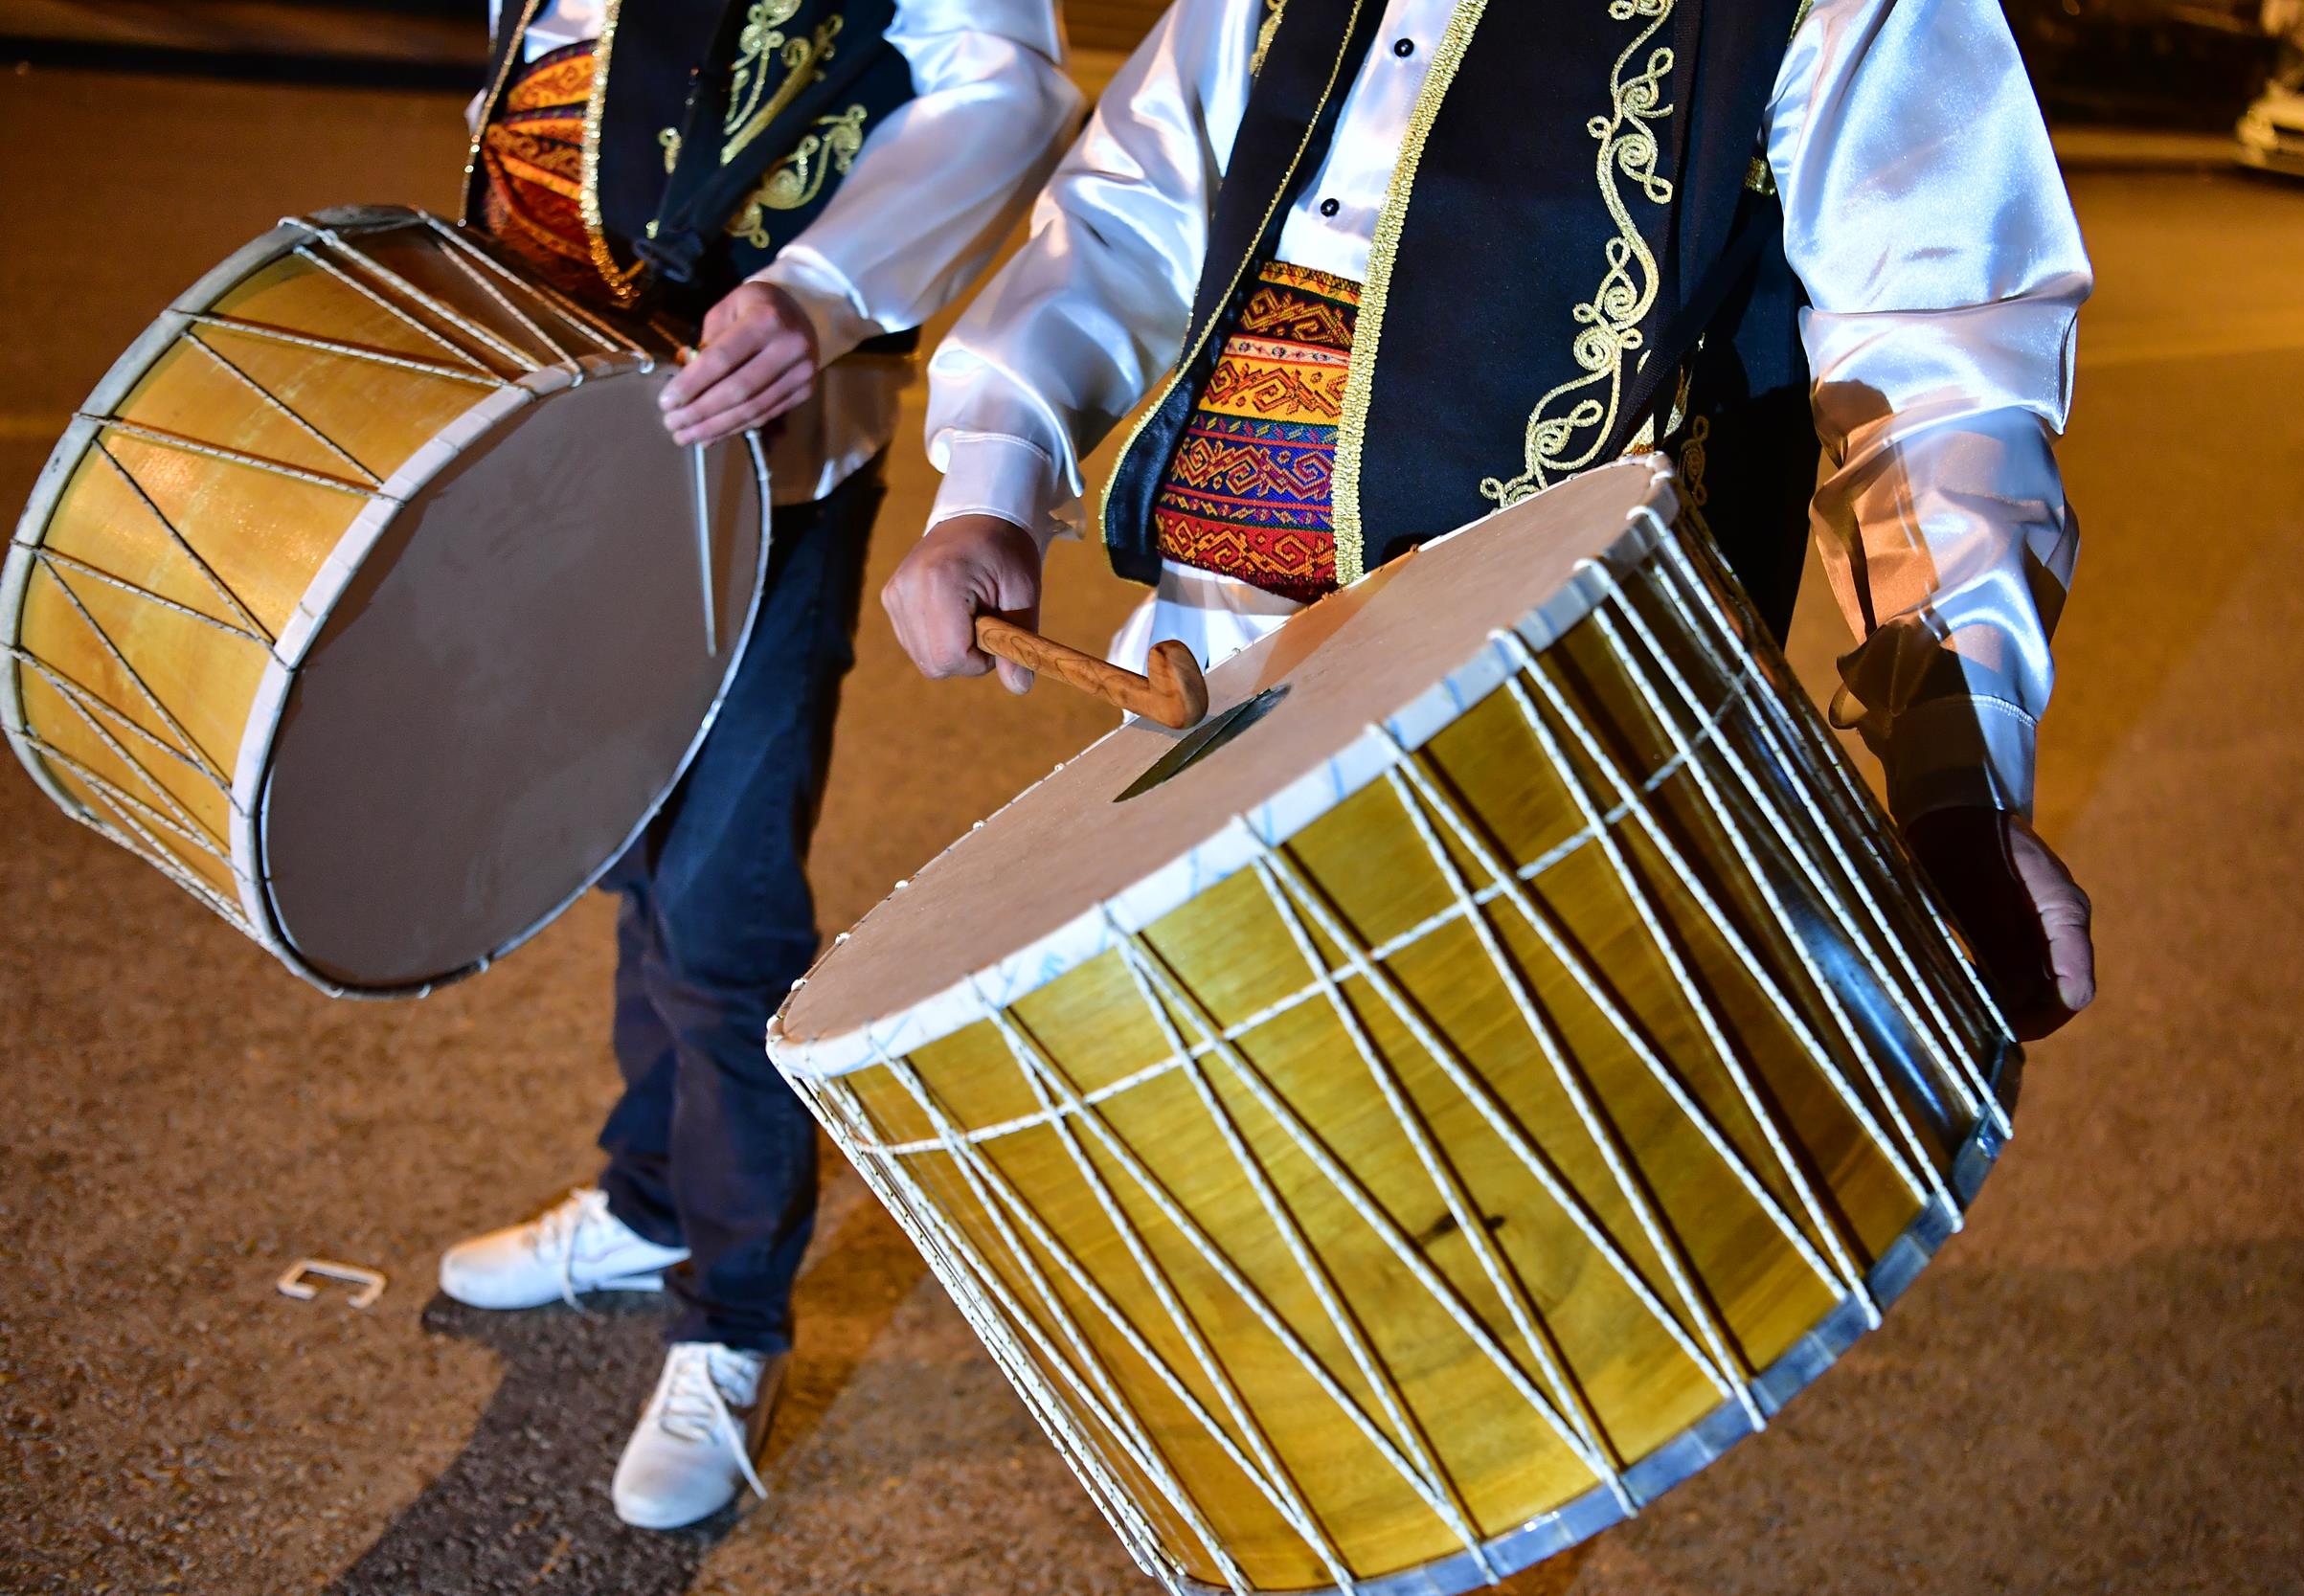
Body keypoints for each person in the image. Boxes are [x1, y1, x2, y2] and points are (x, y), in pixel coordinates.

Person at [883, 0, 2097, 1040]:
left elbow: (1935, 369)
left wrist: (1957, 761)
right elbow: (1136, 206)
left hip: (1561, 723)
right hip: (1207, 667)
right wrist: (994, 470)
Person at [435, 0, 1082, 1531]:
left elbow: (1005, 80)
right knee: (630, 847)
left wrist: (822, 287)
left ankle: (732, 1315)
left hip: (768, 455)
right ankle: (655, 1199)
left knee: (725, 901)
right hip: (572, 438)